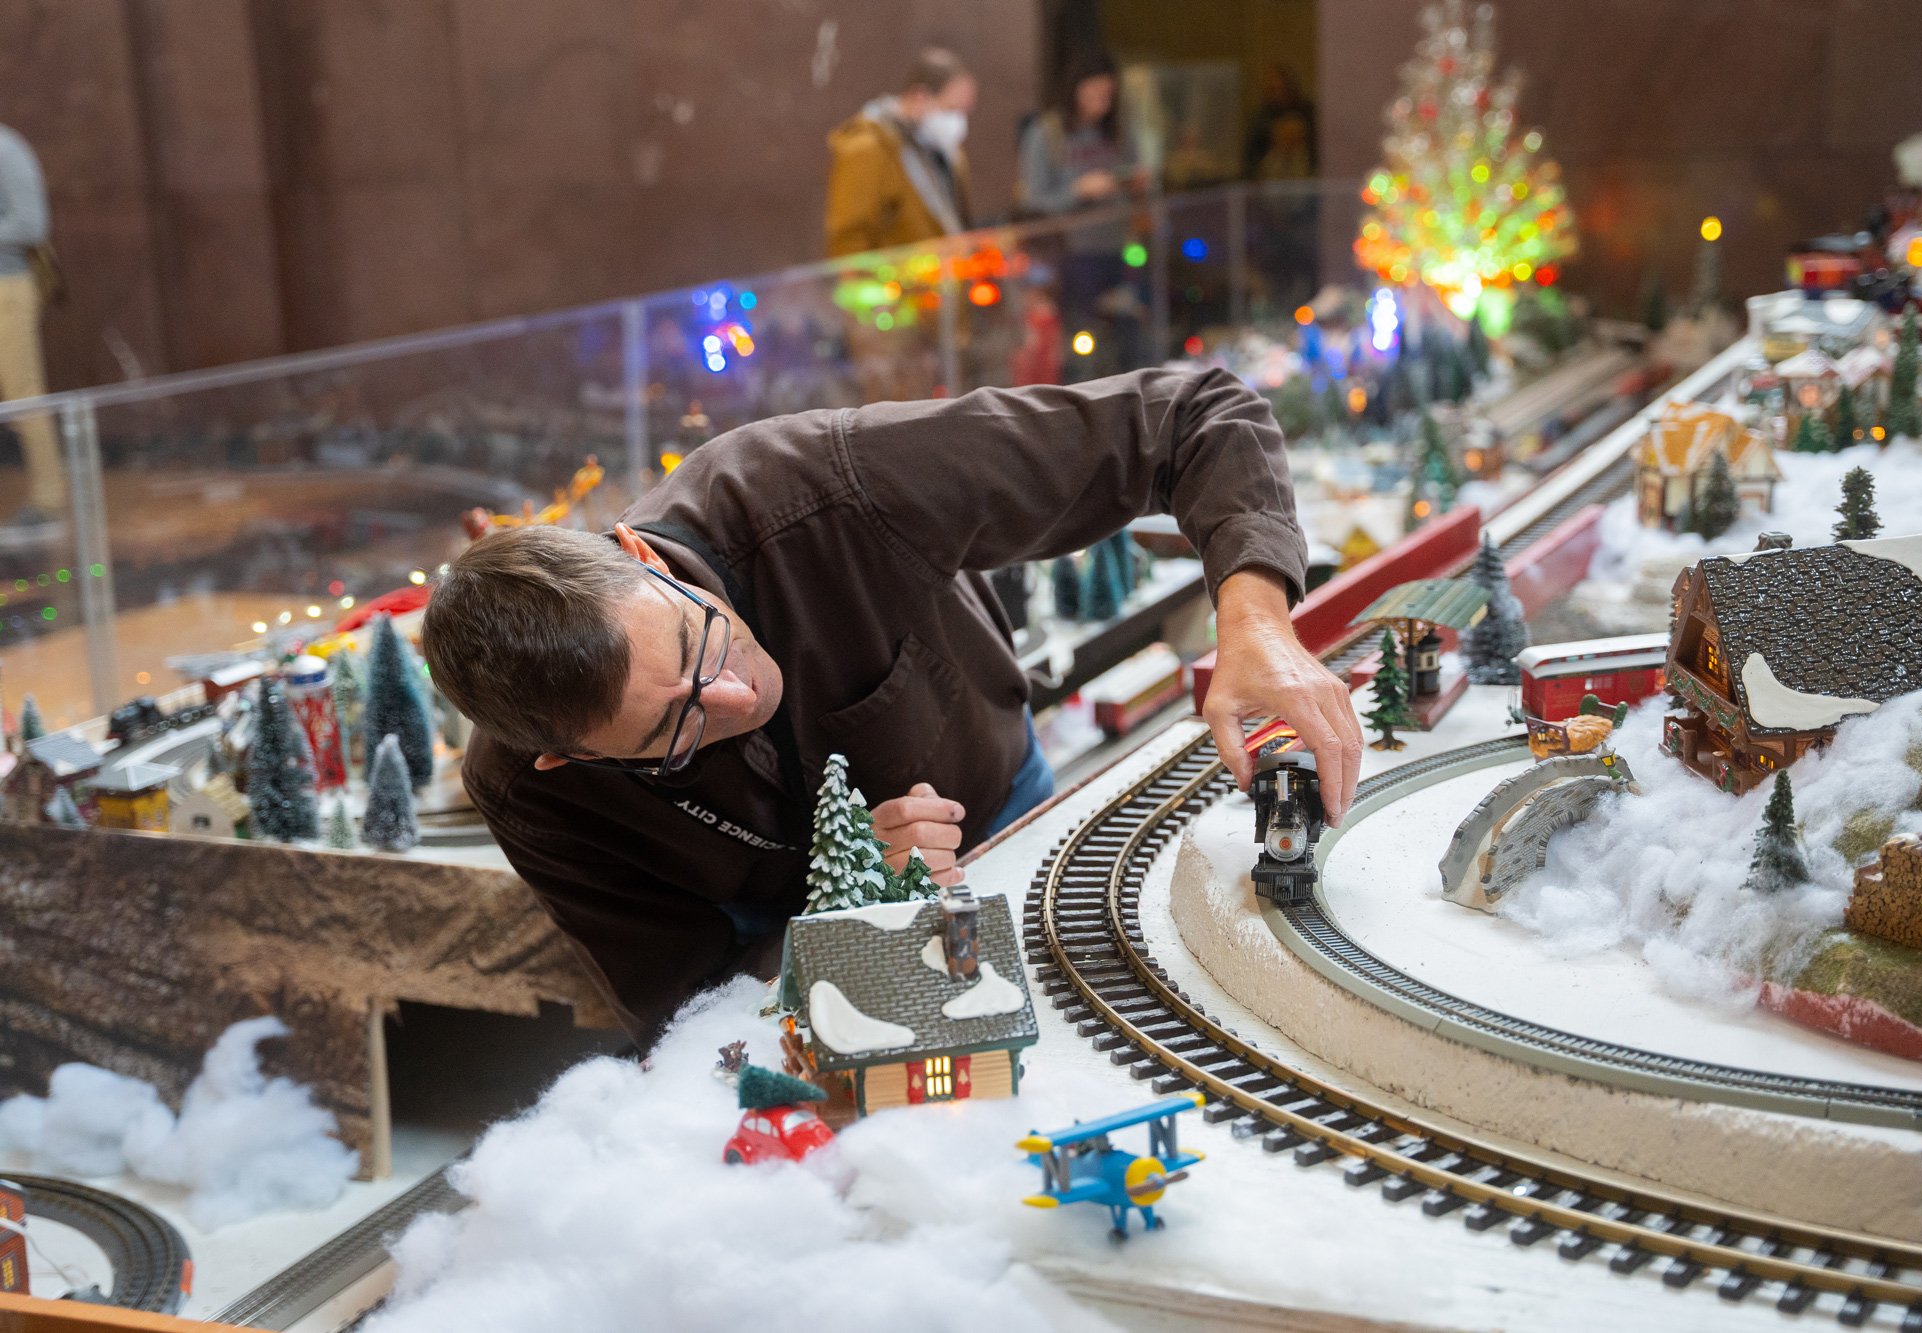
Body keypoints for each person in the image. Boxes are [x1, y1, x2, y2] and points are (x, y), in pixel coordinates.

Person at [424, 369, 1364, 1045]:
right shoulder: (525, 789)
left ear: (644, 556)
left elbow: (1196, 414)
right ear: (574, 760)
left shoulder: (821, 487)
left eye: (697, 641)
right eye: (673, 731)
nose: (736, 694)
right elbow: (689, 1004)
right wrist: (850, 907)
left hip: (999, 800)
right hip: (781, 934)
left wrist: (1258, 624)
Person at [1016, 52, 1144, 372]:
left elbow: (1136, 176)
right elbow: (1032, 202)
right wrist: (1077, 190)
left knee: (1129, 342)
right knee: (1082, 349)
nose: (1102, 103)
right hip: (1071, 257)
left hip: (1118, 249)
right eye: (1095, 94)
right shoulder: (1046, 134)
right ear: (1076, 90)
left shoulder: (1118, 131)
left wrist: (1134, 182)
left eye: (1108, 96)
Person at [824, 49, 976, 258]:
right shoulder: (868, 147)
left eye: (965, 111)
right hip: (894, 276)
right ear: (920, 97)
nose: (958, 120)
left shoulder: (941, 147)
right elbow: (849, 240)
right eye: (952, 108)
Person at [0, 122, 61, 530]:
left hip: (8, 287)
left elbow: (32, 224)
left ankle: (48, 501)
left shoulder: (6, 150)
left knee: (22, 395)